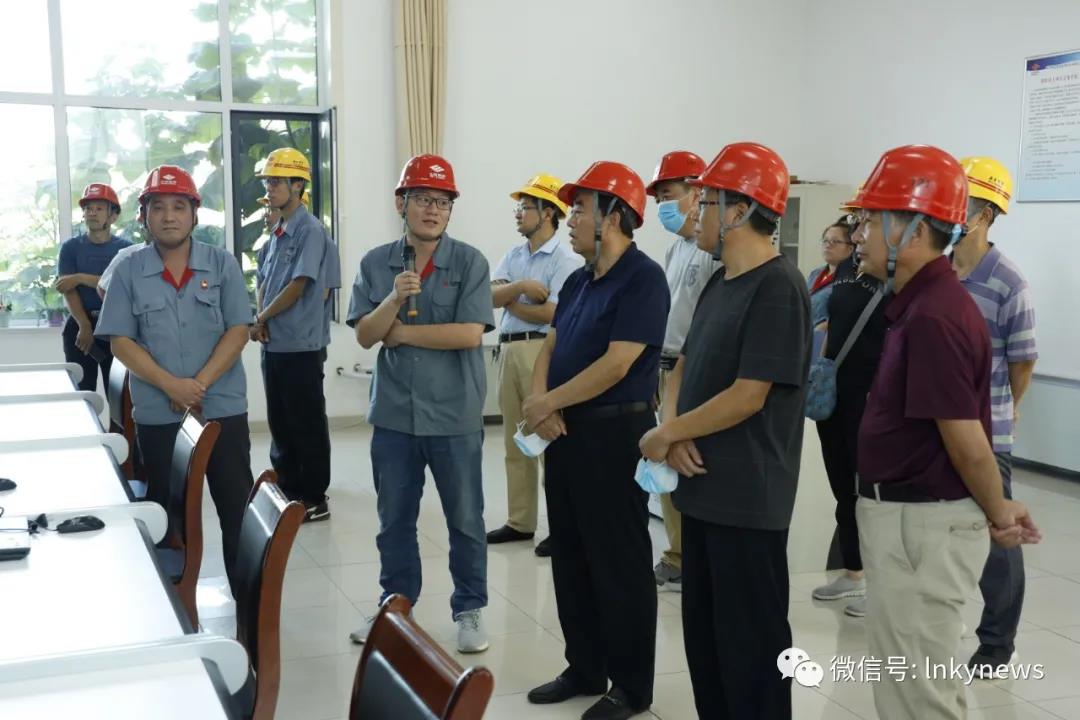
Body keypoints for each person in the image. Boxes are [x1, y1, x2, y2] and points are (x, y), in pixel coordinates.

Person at [849, 145, 1041, 719]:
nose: (859, 234)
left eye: (871, 220)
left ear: (911, 231)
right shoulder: (920, 303)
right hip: (907, 520)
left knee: (921, 692)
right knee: (907, 681)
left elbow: (964, 437)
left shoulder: (935, 313)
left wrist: (1000, 510)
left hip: (922, 527)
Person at [640, 142, 810, 720]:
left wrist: (667, 435)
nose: (695, 212)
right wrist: (675, 428)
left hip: (748, 500)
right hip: (703, 492)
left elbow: (749, 393)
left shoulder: (779, 287)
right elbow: (687, 363)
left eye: (706, 200)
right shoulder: (719, 281)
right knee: (707, 641)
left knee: (752, 650)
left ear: (738, 210)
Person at [523, 161, 667, 720]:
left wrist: (551, 402)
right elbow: (551, 345)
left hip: (614, 434)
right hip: (565, 434)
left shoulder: (643, 278)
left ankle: (631, 685)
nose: (571, 219)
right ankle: (584, 667)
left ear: (612, 216)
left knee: (619, 562)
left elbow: (618, 363)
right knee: (571, 555)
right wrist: (541, 402)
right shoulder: (578, 280)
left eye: (580, 209)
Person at [346, 155, 495, 653]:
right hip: (394, 414)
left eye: (442, 202)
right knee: (394, 520)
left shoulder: (470, 262)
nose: (433, 210)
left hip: (454, 413)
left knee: (465, 519)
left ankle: (469, 608)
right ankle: (396, 605)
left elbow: (469, 334)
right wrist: (392, 301)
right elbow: (366, 335)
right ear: (401, 203)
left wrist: (403, 333)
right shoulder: (375, 263)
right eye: (423, 199)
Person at [95, 165, 255, 592]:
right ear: (144, 216)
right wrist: (171, 386)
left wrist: (195, 385)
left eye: (179, 206)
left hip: (221, 408)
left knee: (236, 511)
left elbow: (239, 330)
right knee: (167, 516)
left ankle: (248, 608)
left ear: (194, 214)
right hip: (158, 414)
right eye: (158, 207)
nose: (169, 216)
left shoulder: (221, 265)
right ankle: (173, 605)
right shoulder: (128, 270)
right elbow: (121, 341)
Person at [952, 156, 1038, 677]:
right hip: (937, 427)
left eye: (959, 201)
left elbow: (1023, 361)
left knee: (997, 537)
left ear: (984, 215)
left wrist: (1006, 409)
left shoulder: (1008, 282)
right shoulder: (936, 270)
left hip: (987, 432)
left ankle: (997, 645)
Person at [486, 174, 581, 556]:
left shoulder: (565, 259)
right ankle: (520, 521)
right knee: (515, 440)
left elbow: (555, 312)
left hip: (542, 351)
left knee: (548, 441)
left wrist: (512, 302)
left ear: (548, 213)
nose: (518, 213)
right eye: (519, 206)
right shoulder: (514, 255)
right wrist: (522, 288)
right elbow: (489, 297)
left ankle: (562, 527)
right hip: (509, 351)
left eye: (525, 207)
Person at [251, 149, 341, 522]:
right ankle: (288, 488)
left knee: (305, 421)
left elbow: (299, 285)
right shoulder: (277, 234)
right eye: (268, 182)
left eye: (276, 182)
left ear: (297, 185)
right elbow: (265, 283)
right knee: (281, 421)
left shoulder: (311, 231)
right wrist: (261, 319)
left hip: (301, 345)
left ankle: (314, 496)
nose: (269, 188)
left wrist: (261, 317)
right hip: (275, 343)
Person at [646, 150, 719, 593]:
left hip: (695, 370)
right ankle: (677, 552)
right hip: (666, 367)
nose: (663, 207)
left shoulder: (712, 254)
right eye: (658, 199)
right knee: (666, 460)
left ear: (697, 193)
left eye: (669, 194)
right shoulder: (676, 249)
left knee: (689, 459)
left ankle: (695, 555)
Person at [810, 214, 887, 618]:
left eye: (864, 226)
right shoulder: (846, 271)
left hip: (869, 401)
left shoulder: (894, 282)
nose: (857, 235)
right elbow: (832, 322)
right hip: (835, 396)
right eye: (855, 227)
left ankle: (882, 584)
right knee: (844, 490)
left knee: (871, 495)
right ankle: (853, 571)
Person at [56, 183, 131, 392]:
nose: (92, 213)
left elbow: (120, 286)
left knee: (118, 393)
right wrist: (84, 325)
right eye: (88, 208)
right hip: (80, 326)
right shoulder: (70, 248)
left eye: (99, 208)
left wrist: (79, 277)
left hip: (116, 328)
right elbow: (67, 288)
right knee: (82, 390)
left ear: (113, 216)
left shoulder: (126, 250)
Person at [806, 215, 857, 326]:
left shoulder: (850, 280)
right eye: (825, 240)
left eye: (834, 241)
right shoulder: (815, 273)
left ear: (850, 249)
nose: (827, 245)